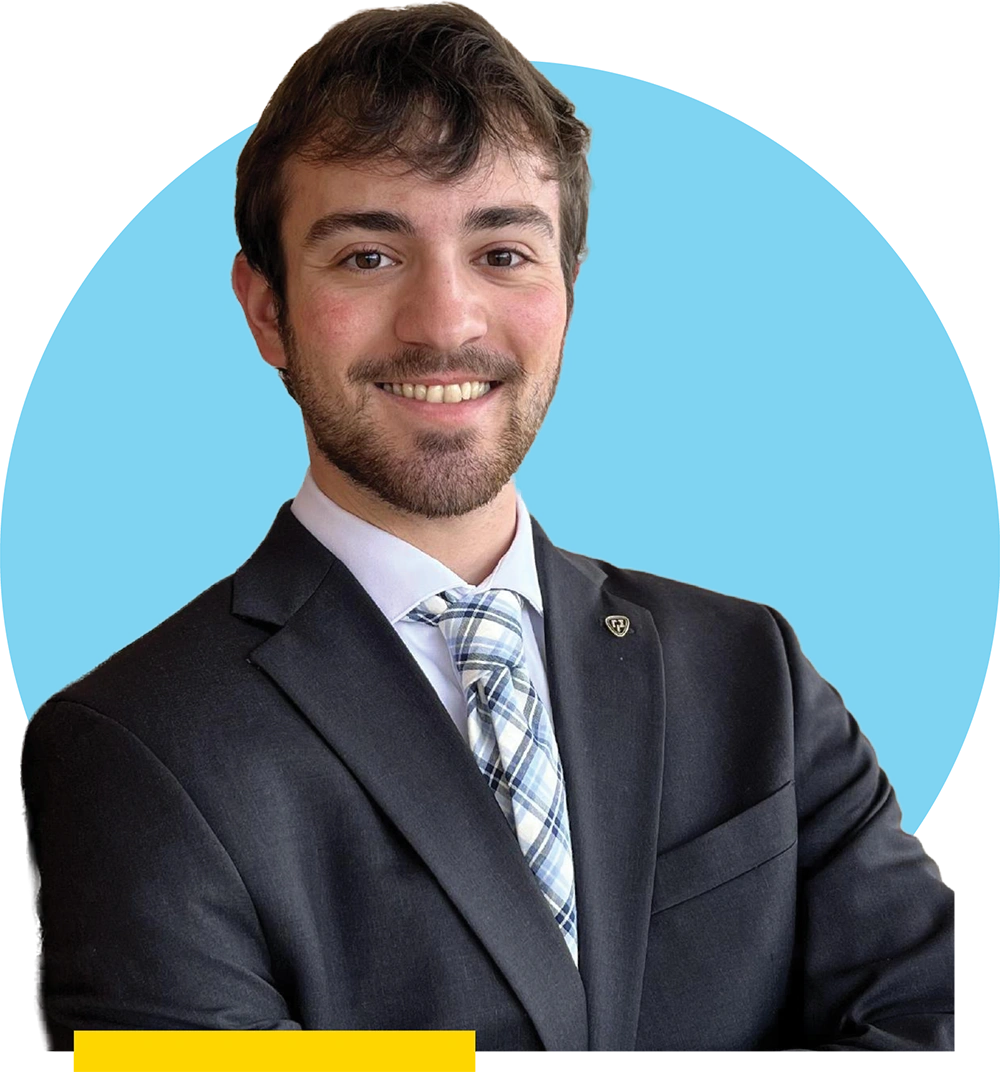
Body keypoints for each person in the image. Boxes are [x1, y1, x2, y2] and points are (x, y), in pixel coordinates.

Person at [20, 1, 955, 1057]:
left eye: (503, 251)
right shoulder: (138, 746)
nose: (446, 322)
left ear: (566, 286)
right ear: (268, 310)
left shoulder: (756, 676)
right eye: (368, 257)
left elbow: (935, 1031)